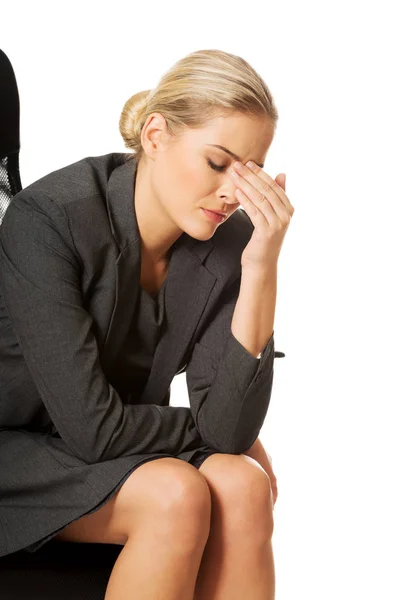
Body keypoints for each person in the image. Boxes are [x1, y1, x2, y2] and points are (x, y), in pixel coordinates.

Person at [0, 48, 293, 599]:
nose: (234, 192)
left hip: (109, 454)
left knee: (241, 486)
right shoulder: (49, 219)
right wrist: (207, 428)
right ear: (156, 136)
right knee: (175, 493)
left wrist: (261, 270)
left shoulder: (229, 243)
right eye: (217, 162)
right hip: (13, 456)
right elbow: (94, 429)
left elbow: (231, 435)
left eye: (249, 172)